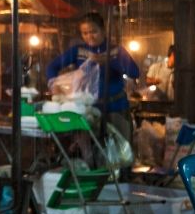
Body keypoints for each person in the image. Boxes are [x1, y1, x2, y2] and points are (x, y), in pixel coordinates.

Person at [46, 11, 139, 141]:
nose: (90, 36)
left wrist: (108, 61)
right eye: (85, 33)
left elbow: (134, 72)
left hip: (116, 107)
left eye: (94, 31)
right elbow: (52, 67)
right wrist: (53, 84)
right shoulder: (78, 51)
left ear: (103, 30)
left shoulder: (116, 51)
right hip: (89, 111)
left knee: (122, 152)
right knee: (93, 152)